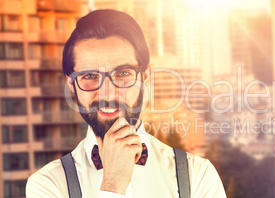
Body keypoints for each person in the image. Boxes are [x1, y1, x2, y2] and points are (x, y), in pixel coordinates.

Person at [26, 9, 226, 198]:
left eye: (122, 73)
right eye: (89, 76)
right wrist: (113, 184)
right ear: (71, 84)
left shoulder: (197, 175)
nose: (108, 92)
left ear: (145, 76)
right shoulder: (47, 185)